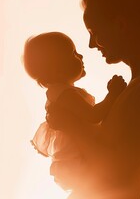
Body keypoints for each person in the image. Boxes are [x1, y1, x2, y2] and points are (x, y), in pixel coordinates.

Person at [47, 0, 140, 199]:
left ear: (120, 24)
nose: (91, 44)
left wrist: (72, 124)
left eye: (94, 32)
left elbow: (116, 169)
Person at [23, 31, 127, 191]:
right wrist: (112, 95)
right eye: (73, 54)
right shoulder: (65, 95)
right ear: (57, 69)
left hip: (76, 161)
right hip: (77, 162)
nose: (81, 56)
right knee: (107, 180)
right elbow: (93, 116)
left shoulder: (59, 93)